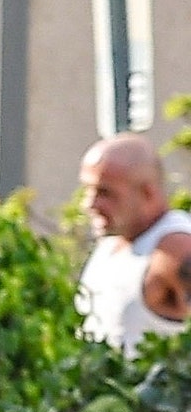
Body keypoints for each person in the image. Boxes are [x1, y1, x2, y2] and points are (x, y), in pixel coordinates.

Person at [75, 134, 191, 354]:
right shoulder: (110, 245)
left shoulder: (176, 249)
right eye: (87, 190)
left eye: (105, 192)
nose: (89, 204)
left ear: (147, 193)